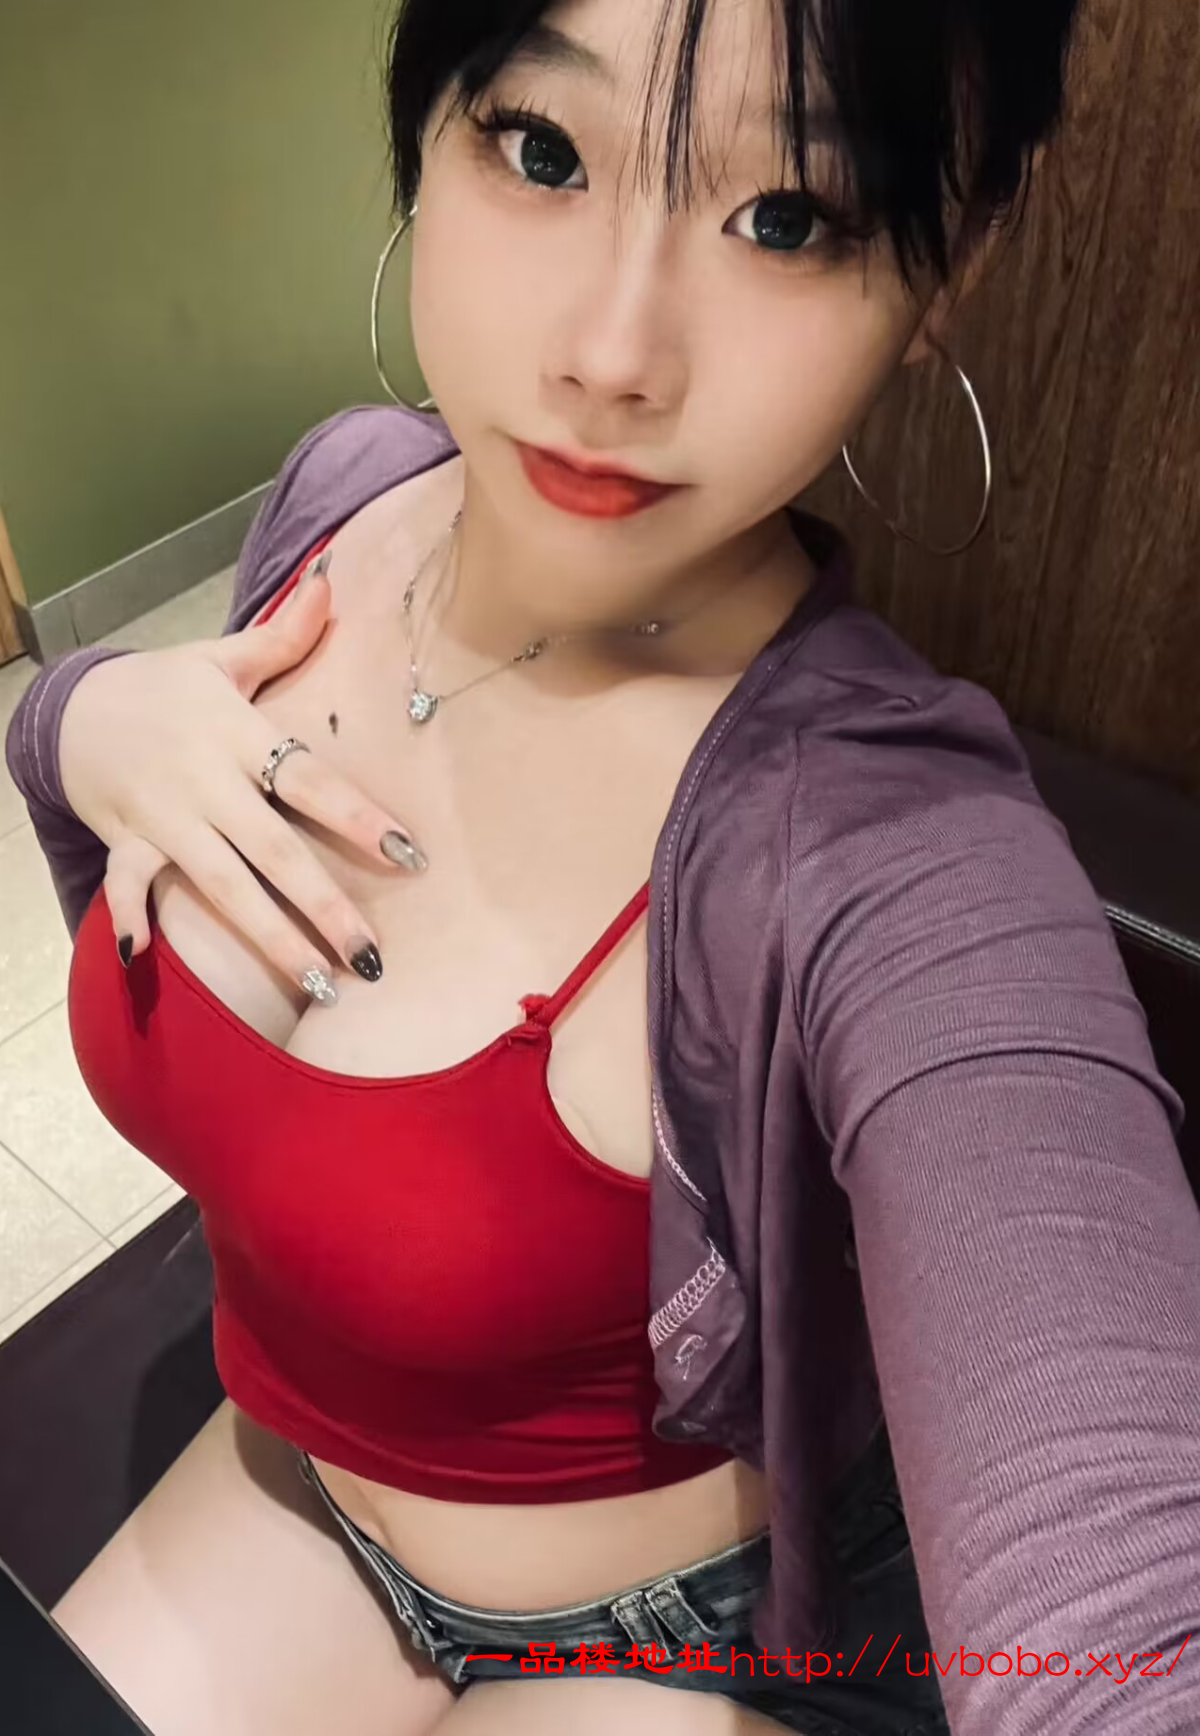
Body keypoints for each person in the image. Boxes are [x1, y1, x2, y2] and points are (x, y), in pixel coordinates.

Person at [7, 0, 1199, 1733]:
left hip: (661, 1642)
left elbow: (1120, 1594)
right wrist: (79, 722)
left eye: (786, 216)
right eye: (543, 149)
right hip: (295, 1488)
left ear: (950, 264)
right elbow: (101, 799)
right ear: (429, 122)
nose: (612, 352)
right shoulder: (342, 494)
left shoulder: (894, 848)